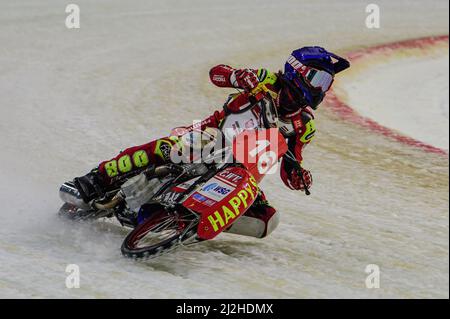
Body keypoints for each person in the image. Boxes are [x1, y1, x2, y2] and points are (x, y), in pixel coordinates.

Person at [73, 46, 349, 236]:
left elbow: (290, 168)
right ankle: (99, 177)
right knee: (171, 149)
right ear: (297, 71)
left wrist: (299, 177)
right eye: (318, 79)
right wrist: (237, 76)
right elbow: (216, 73)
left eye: (327, 83)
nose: (321, 89)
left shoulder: (305, 125)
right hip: (211, 137)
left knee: (267, 221)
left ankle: (190, 221)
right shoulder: (265, 80)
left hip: (244, 171)